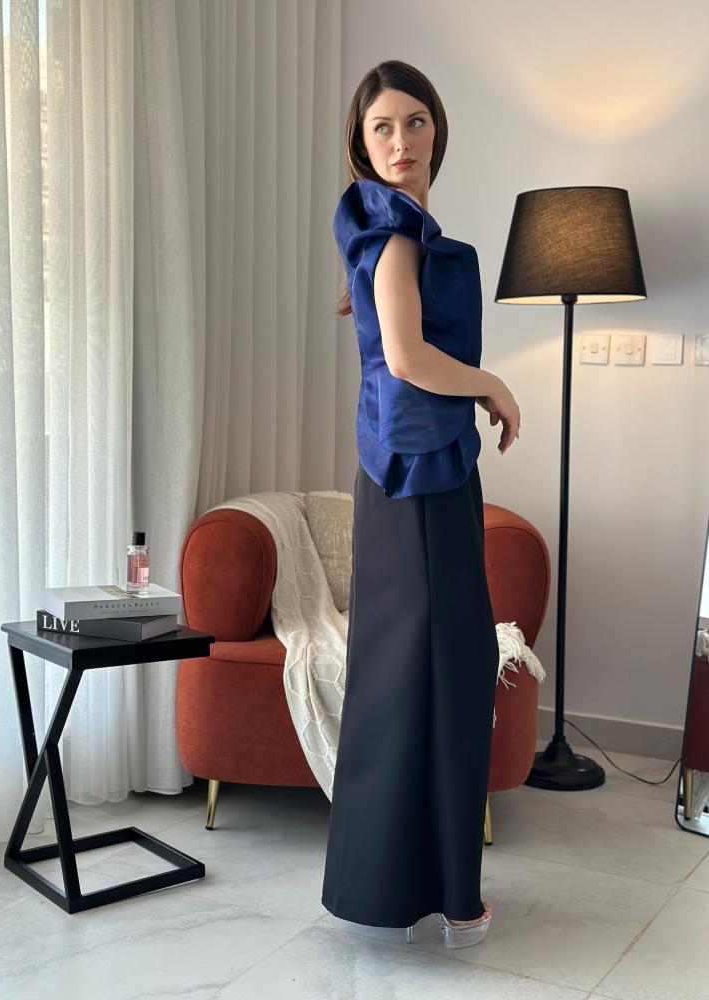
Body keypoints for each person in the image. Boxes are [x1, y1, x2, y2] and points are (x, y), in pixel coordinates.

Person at [320, 59, 521, 950]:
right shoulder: (396, 233)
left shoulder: (387, 228)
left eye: (414, 122)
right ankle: (451, 900)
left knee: (408, 672)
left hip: (405, 473)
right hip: (419, 476)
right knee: (448, 670)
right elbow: (406, 358)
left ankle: (393, 888)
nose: (400, 140)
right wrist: (493, 385)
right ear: (362, 145)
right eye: (382, 127)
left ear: (437, 129)